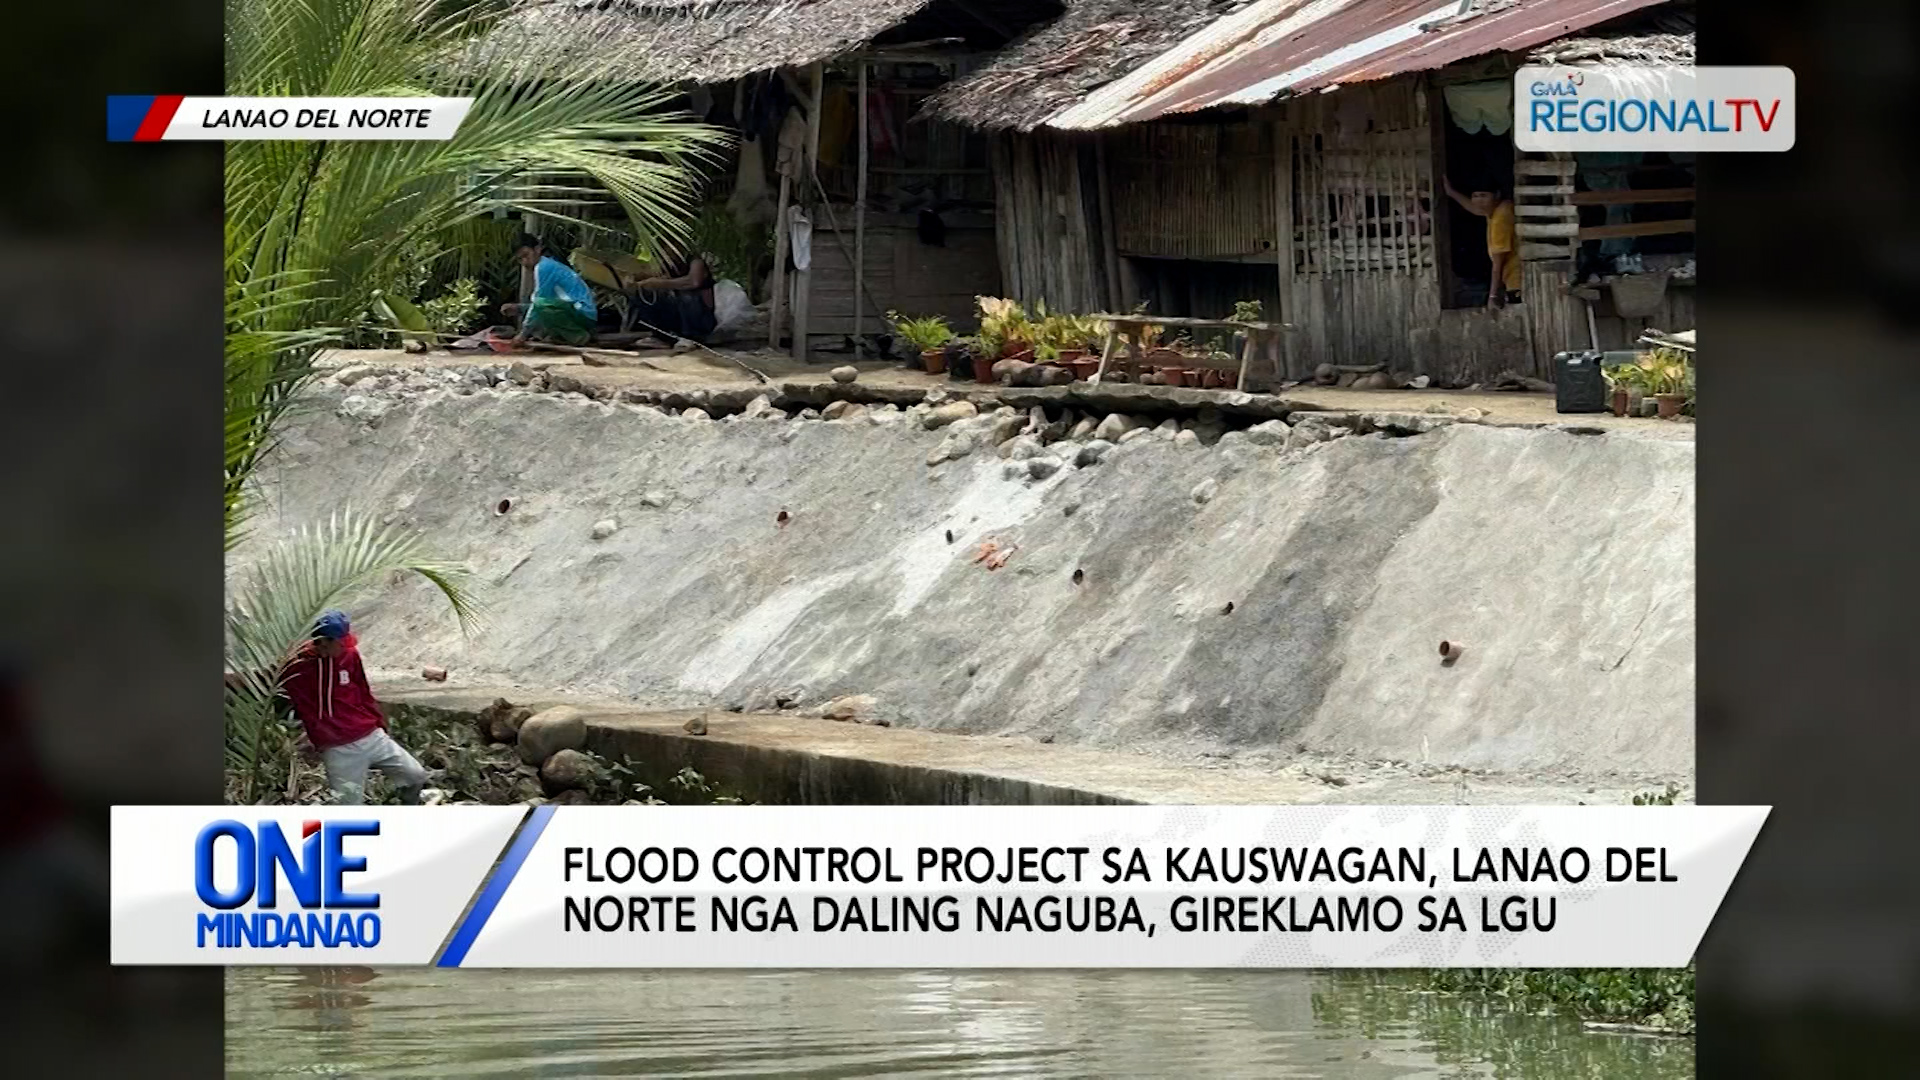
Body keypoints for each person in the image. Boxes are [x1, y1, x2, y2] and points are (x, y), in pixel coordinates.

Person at [281, 610, 428, 805]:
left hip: (371, 735)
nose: (346, 646)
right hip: (339, 748)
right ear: (325, 642)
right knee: (349, 808)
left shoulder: (349, 655)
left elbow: (363, 690)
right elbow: (274, 685)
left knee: (415, 776)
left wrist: (379, 724)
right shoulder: (297, 665)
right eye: (341, 642)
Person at [502, 233, 598, 346]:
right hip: (580, 313)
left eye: (526, 255)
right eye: (520, 259)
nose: (524, 262)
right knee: (541, 305)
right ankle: (560, 336)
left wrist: (523, 334)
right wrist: (519, 308)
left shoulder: (543, 267)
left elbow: (539, 304)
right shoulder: (548, 265)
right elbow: (549, 303)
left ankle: (578, 337)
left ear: (537, 249)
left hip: (583, 314)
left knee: (540, 304)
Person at [1442, 177, 1522, 308]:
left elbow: (1498, 263)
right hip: (1512, 278)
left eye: (1484, 196)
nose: (1479, 201)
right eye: (1475, 196)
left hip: (1516, 280)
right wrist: (1451, 192)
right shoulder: (1500, 208)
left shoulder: (1501, 218)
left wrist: (1493, 296)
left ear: (1497, 195)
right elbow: (1476, 209)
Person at [625, 238, 717, 344]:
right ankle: (661, 335)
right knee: (644, 294)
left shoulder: (695, 260)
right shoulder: (669, 263)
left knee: (686, 296)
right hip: (680, 308)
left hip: (701, 311)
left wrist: (660, 283)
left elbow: (693, 282)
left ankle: (692, 337)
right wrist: (637, 280)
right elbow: (657, 276)